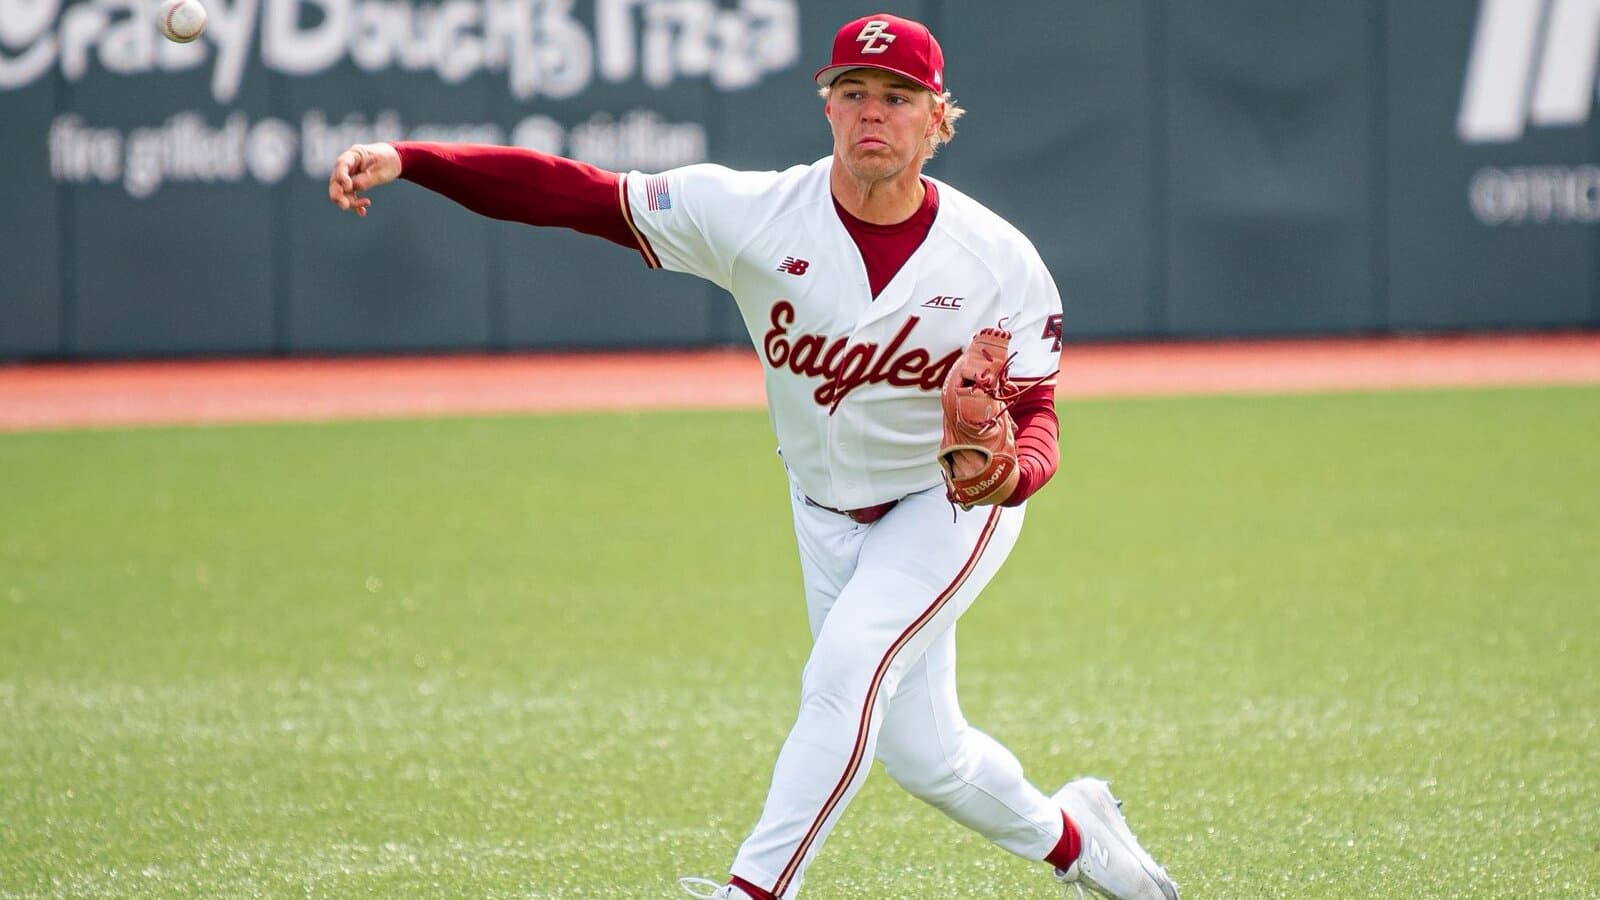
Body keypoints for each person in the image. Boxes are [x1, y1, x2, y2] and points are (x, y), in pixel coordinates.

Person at [328, 12, 1178, 900]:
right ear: (827, 108)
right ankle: (1083, 842)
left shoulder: (999, 261)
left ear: (938, 119)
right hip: (822, 507)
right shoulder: (755, 215)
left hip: (948, 505)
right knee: (928, 759)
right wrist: (414, 161)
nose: (871, 114)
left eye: (896, 97)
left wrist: (1016, 471)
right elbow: (575, 193)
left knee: (844, 671)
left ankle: (755, 890)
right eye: (852, 94)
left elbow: (1037, 411)